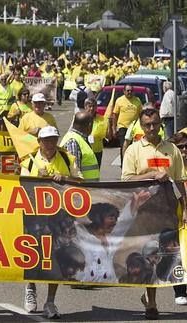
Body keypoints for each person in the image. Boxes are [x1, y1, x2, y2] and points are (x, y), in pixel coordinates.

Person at [121, 108, 187, 320]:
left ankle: (167, 293)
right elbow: (126, 180)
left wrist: (185, 208)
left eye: (155, 124)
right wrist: (150, 174)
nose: (151, 128)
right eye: (147, 125)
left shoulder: (172, 149)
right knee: (149, 256)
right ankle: (152, 303)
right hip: (144, 213)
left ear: (160, 124)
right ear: (141, 126)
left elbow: (179, 181)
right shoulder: (133, 150)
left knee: (168, 256)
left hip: (168, 212)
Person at [20, 126, 82, 319]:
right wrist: (36, 179)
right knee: (34, 255)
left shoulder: (66, 159)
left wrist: (65, 178)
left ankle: (50, 301)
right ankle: (30, 288)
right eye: (45, 140)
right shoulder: (29, 161)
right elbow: (21, 187)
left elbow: (81, 182)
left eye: (53, 139)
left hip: (60, 218)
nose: (49, 144)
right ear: (39, 142)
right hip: (34, 217)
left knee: (55, 257)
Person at [60, 111, 99, 181]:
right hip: (82, 189)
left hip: (88, 188)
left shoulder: (79, 138)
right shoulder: (73, 141)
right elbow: (74, 172)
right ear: (90, 125)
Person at [111, 84, 142, 163]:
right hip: (123, 127)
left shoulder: (137, 100)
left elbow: (141, 115)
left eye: (131, 90)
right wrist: (114, 129)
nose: (129, 92)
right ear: (124, 91)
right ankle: (124, 165)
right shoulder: (119, 100)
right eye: (127, 90)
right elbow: (115, 115)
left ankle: (133, 164)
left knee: (134, 147)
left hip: (134, 128)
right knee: (124, 147)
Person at [84, 98, 108, 168]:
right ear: (85, 107)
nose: (92, 108)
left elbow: (107, 136)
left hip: (97, 150)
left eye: (94, 106)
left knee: (95, 171)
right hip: (85, 150)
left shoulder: (102, 119)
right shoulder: (81, 118)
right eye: (90, 106)